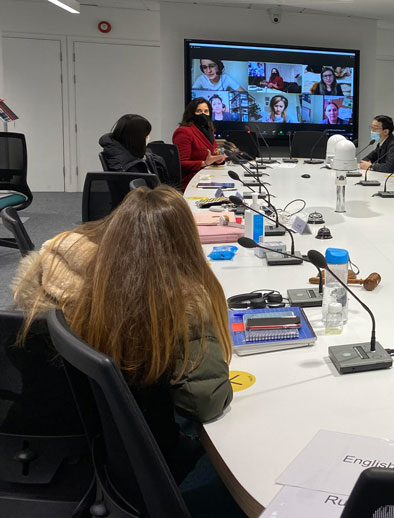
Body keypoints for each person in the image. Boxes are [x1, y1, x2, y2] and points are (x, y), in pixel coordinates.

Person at [12, 185, 234, 484]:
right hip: (141, 460)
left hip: (48, 435)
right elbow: (204, 401)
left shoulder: (56, 264)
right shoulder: (176, 302)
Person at [172, 97, 226, 190]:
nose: (203, 114)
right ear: (191, 113)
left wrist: (218, 159)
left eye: (206, 111)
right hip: (192, 182)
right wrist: (204, 163)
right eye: (199, 111)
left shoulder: (209, 130)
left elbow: (212, 154)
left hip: (209, 177)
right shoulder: (183, 131)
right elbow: (180, 163)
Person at [99, 113, 167, 179]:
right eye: (146, 135)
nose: (148, 138)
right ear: (137, 139)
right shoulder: (131, 167)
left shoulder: (120, 154)